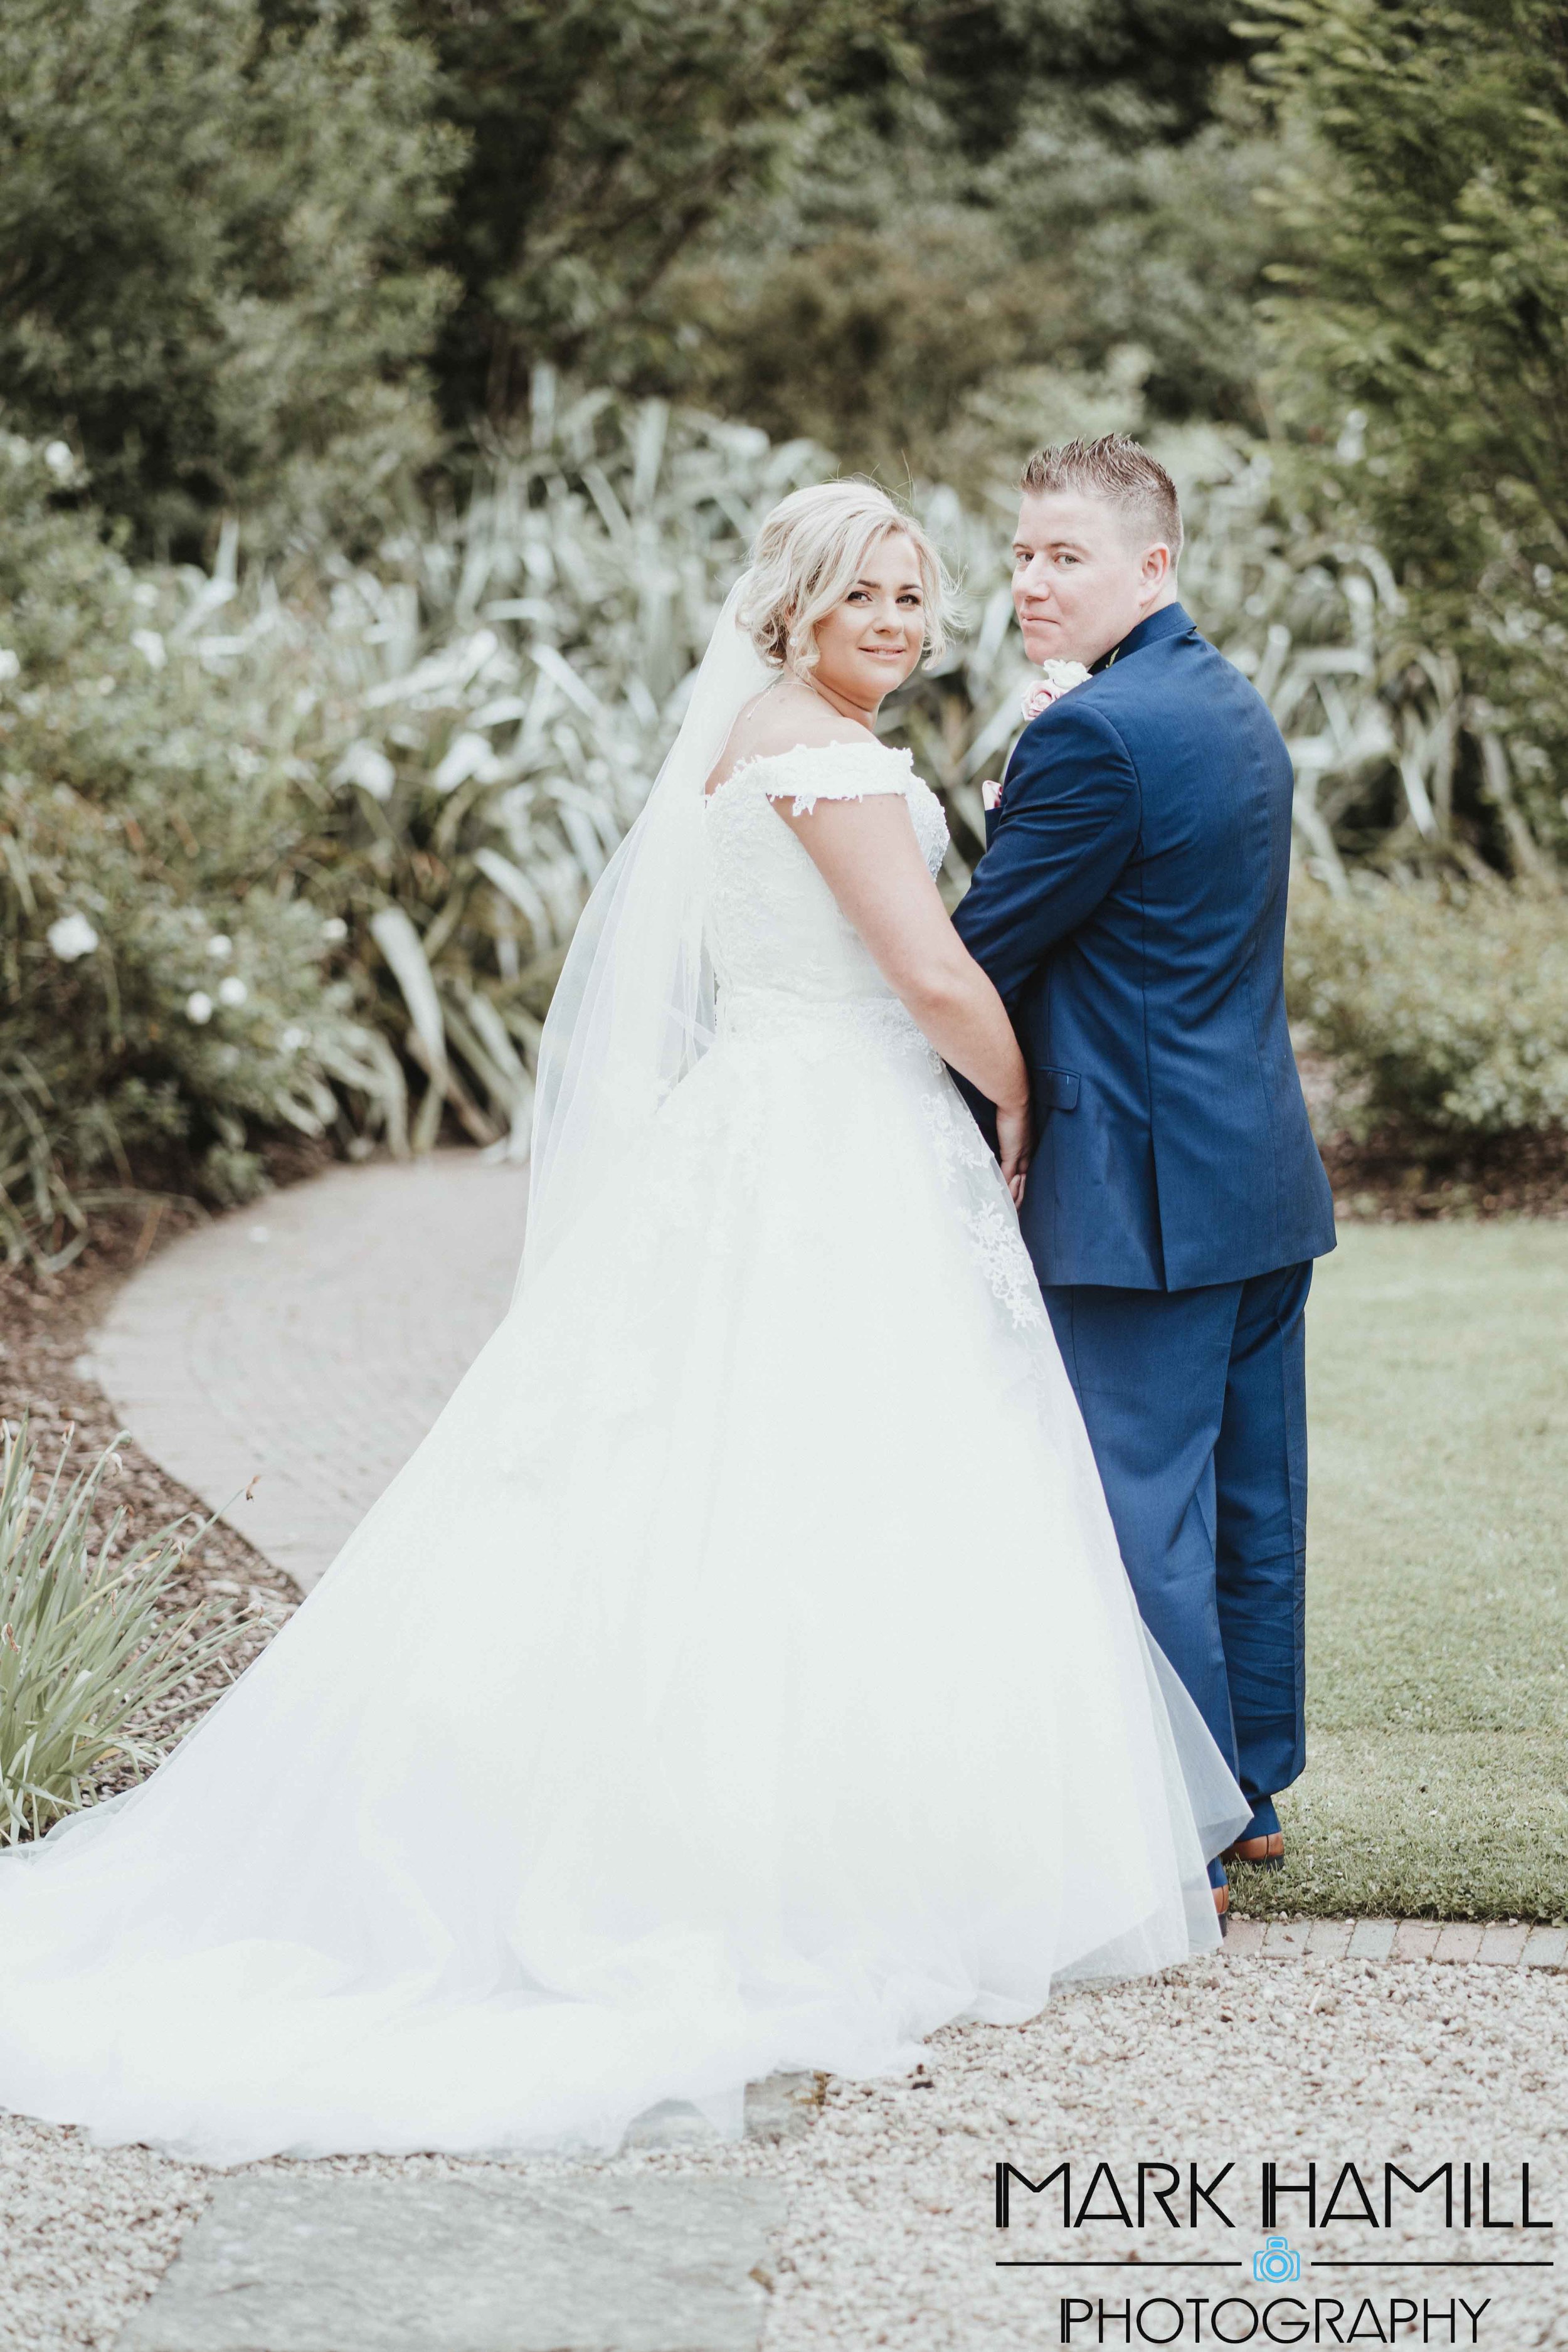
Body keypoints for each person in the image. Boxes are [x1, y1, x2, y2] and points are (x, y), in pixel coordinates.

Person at [0, 482, 1245, 2167]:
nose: (896, 621)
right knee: (839, 1471)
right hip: (836, 1136)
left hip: (769, 1114)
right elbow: (930, 975)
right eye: (862, 595)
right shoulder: (828, 756)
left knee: (728, 1469)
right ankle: (813, 1856)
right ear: (794, 607)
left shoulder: (761, 732)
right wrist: (1022, 1098)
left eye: (911, 594)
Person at [953, 437, 1338, 1926]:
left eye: (1065, 556)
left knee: (1134, 1514)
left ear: (1150, 564)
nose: (1030, 584)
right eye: (1021, 555)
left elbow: (977, 956)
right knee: (1250, 1499)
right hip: (1253, 1173)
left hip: (1136, 1197)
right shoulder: (1230, 704)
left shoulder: (1093, 735)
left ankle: (1175, 1828)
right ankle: (1249, 1790)